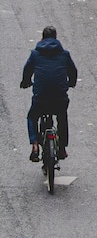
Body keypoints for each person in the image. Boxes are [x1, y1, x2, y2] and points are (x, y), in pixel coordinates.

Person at [21, 26, 78, 162]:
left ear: (42, 38)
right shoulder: (64, 54)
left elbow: (27, 70)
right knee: (62, 116)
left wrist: (26, 82)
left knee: (32, 117)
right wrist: (71, 83)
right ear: (56, 38)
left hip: (41, 97)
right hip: (59, 97)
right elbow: (73, 71)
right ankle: (62, 147)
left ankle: (35, 144)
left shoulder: (35, 54)